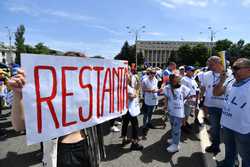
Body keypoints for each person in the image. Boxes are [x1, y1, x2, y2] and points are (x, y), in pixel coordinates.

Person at [8, 52, 104, 167]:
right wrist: (17, 94)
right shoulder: (47, 101)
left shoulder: (90, 99)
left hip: (89, 149)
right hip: (60, 153)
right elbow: (19, 125)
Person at [213, 58, 250, 167]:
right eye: (233, 68)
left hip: (244, 129)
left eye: (236, 68)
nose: (233, 71)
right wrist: (221, 80)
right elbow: (216, 93)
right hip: (227, 125)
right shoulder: (230, 80)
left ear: (248, 70)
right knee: (229, 151)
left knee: (246, 157)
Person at [200, 56, 233, 155]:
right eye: (208, 64)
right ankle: (215, 146)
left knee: (228, 131)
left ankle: (232, 155)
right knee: (214, 128)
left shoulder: (231, 74)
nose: (209, 66)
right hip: (212, 106)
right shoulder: (206, 75)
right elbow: (203, 88)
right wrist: (201, 99)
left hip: (226, 107)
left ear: (219, 63)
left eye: (211, 64)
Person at [163, 74, 190, 152]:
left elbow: (188, 96)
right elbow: (166, 98)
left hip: (179, 112)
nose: (179, 79)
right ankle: (174, 139)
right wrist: (165, 106)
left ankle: (176, 145)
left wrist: (183, 103)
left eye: (178, 78)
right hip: (171, 110)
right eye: (177, 77)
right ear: (172, 79)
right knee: (172, 126)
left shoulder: (183, 87)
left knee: (176, 128)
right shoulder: (167, 87)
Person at [121, 72, 143, 150]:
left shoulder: (123, 86)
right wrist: (137, 91)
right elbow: (131, 97)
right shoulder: (125, 87)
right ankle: (134, 143)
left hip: (126, 109)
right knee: (135, 125)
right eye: (128, 76)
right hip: (129, 110)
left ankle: (124, 139)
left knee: (125, 124)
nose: (130, 77)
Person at [141, 68, 161, 138]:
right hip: (147, 99)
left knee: (151, 112)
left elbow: (156, 87)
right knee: (146, 114)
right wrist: (151, 91)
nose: (152, 75)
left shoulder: (156, 79)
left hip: (154, 98)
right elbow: (143, 89)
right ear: (149, 73)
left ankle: (149, 123)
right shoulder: (145, 80)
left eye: (154, 73)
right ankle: (144, 127)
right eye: (151, 73)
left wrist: (159, 90)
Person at [181, 66, 201, 131]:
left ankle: (185, 123)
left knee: (188, 113)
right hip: (188, 99)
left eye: (193, 71)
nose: (193, 72)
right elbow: (183, 90)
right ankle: (183, 126)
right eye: (191, 71)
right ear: (187, 71)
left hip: (193, 98)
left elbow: (195, 88)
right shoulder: (184, 79)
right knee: (186, 113)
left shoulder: (192, 78)